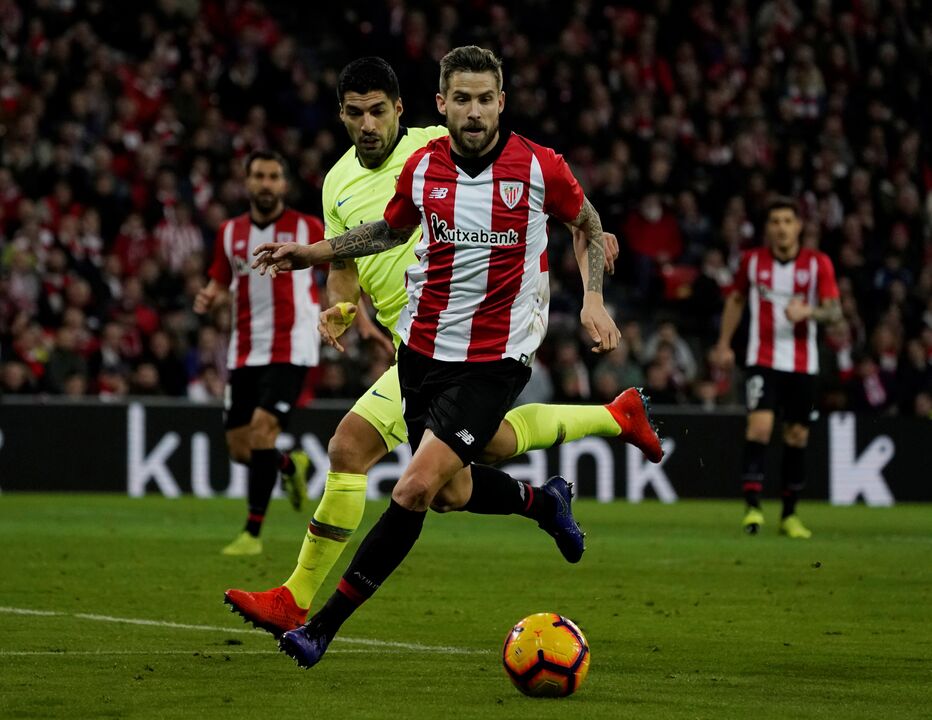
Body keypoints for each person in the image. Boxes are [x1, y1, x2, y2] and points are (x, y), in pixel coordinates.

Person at [224, 56, 663, 640]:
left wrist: (591, 280)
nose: (369, 124)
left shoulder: (478, 149)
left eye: (379, 110)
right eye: (356, 113)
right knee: (456, 484)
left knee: (365, 456)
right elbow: (368, 249)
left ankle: (302, 606)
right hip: (420, 343)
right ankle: (581, 457)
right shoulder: (357, 179)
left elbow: (577, 213)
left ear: (406, 109)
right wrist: (335, 291)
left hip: (494, 342)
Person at [194, 149, 323, 556]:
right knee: (241, 448)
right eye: (259, 176)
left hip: (292, 346)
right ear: (247, 182)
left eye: (273, 177)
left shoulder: (308, 227)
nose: (266, 184)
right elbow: (219, 278)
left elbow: (341, 268)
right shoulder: (230, 233)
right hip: (245, 350)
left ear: (284, 184)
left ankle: (251, 533)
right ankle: (289, 465)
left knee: (263, 431)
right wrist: (209, 296)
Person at [711, 196, 840, 539]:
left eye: (787, 221)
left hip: (802, 365)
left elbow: (834, 311)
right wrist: (724, 343)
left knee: (797, 436)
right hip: (762, 360)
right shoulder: (753, 262)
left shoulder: (818, 264)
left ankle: (789, 515)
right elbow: (736, 300)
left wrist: (808, 312)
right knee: (760, 429)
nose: (782, 228)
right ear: (767, 229)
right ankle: (753, 508)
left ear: (798, 226)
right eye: (775, 222)